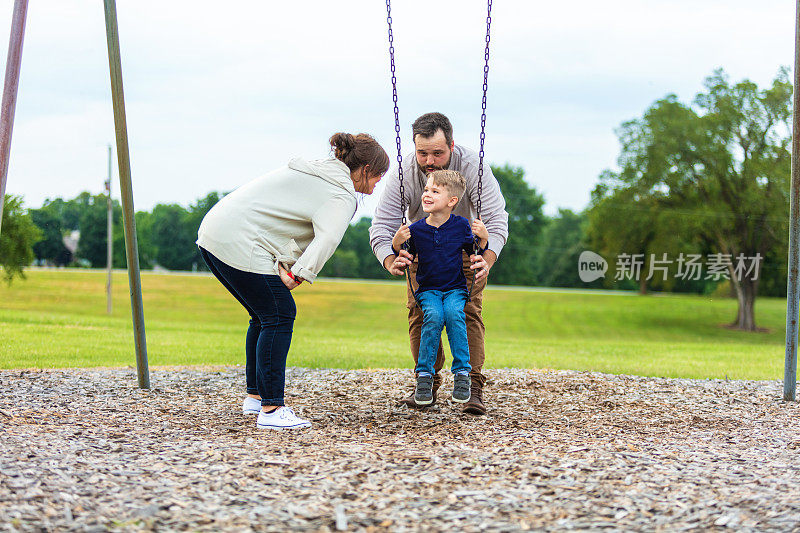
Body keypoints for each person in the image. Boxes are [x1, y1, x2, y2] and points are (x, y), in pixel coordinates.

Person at [197, 133, 389, 430]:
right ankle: (272, 411)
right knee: (279, 313)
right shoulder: (341, 193)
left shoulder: (314, 169)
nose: (376, 185)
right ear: (364, 170)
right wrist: (300, 274)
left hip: (212, 233)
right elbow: (327, 239)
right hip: (240, 241)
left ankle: (256, 397)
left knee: (263, 316)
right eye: (377, 177)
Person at [370, 112, 509, 415]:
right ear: (414, 148)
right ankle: (426, 382)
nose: (430, 160)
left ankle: (472, 386)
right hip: (422, 251)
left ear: (452, 145)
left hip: (465, 250)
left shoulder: (472, 167)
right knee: (420, 313)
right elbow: (382, 224)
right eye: (423, 153)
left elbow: (497, 220)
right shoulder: (405, 171)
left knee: (466, 312)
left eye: (438, 152)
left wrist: (486, 258)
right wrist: (391, 258)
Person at [391, 170, 488, 406]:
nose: (427, 194)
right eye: (426, 190)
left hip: (455, 289)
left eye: (435, 191)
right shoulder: (416, 229)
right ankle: (425, 375)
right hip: (428, 290)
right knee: (432, 317)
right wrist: (396, 241)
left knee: (456, 315)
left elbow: (476, 250)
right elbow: (403, 255)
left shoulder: (462, 226)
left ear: (452, 201)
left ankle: (462, 375)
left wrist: (483, 238)